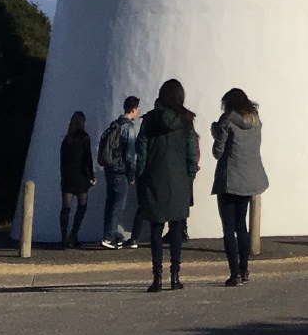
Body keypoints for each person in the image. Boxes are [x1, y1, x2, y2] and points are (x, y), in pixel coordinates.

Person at [135, 77, 200, 293]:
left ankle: (157, 277)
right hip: (179, 180)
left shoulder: (149, 121)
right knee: (176, 228)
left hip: (154, 178)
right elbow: (191, 152)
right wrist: (190, 175)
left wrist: (141, 174)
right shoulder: (186, 120)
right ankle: (175, 275)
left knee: (155, 228)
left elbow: (141, 151)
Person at [211, 88, 269, 286]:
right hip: (248, 179)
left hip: (229, 180)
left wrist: (215, 132)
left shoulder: (227, 121)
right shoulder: (256, 121)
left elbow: (218, 152)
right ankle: (244, 269)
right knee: (241, 226)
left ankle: (234, 273)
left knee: (228, 228)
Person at [97, 93, 143, 248]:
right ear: (134, 109)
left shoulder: (115, 123)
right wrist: (132, 174)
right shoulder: (128, 128)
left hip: (109, 168)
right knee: (118, 205)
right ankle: (109, 237)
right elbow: (130, 155)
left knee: (110, 203)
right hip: (121, 171)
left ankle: (109, 233)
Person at [58, 109, 96, 248]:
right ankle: (73, 235)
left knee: (66, 208)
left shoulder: (67, 139)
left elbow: (62, 160)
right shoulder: (84, 138)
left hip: (67, 178)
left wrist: (63, 176)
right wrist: (91, 176)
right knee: (82, 207)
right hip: (80, 177)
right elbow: (88, 158)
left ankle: (63, 238)